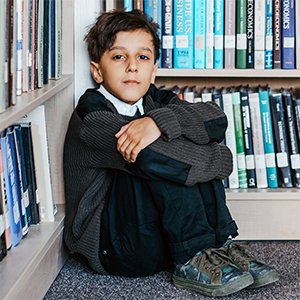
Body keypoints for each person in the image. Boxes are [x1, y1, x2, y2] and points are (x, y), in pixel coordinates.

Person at [63, 9, 278, 297]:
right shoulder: (92, 115)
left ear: (153, 70)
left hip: (156, 237)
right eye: (118, 57)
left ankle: (215, 245)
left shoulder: (155, 100)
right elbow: (152, 157)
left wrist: (157, 122)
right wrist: (221, 158)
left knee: (179, 142)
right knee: (154, 159)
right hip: (114, 248)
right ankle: (193, 255)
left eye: (142, 57)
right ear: (97, 70)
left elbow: (216, 120)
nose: (131, 67)